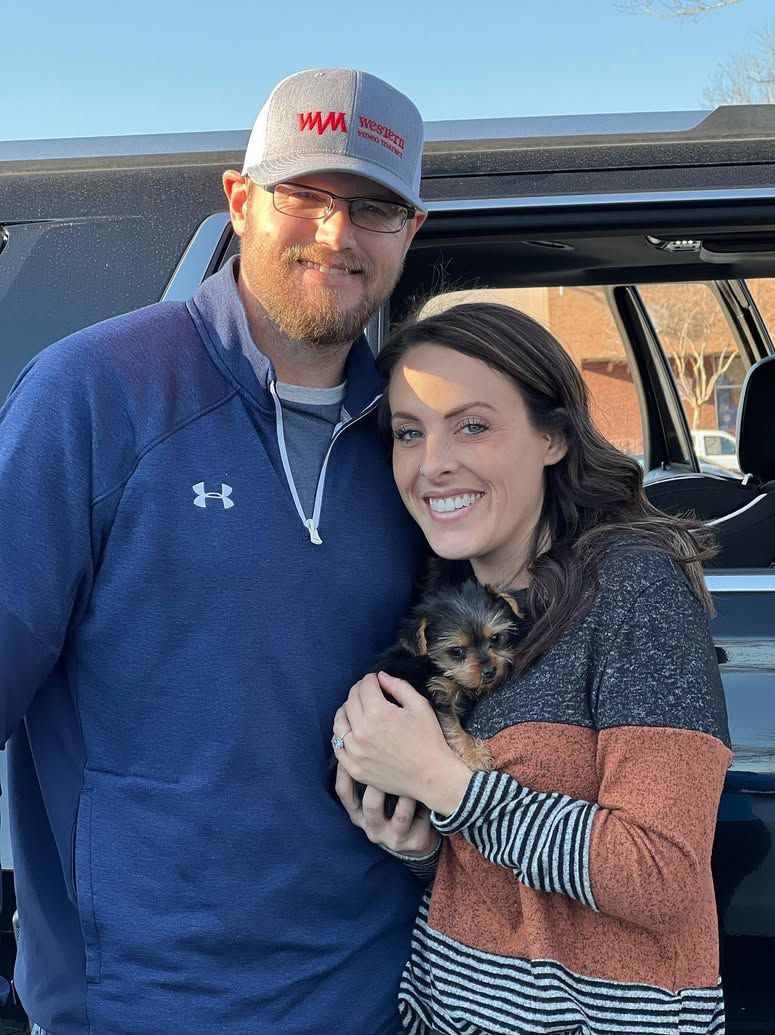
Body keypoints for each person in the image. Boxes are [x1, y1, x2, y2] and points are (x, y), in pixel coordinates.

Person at [0, 68, 428, 1035]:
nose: (337, 232)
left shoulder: (420, 439)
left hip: (375, 995)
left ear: (412, 231)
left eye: (374, 207)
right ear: (240, 201)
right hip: (141, 1003)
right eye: (305, 194)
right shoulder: (94, 394)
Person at [333, 302, 732, 1035]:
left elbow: (662, 877)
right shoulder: (447, 599)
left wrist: (444, 783)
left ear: (553, 436)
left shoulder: (634, 588)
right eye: (409, 433)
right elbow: (504, 875)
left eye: (472, 426)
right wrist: (420, 845)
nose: (433, 462)